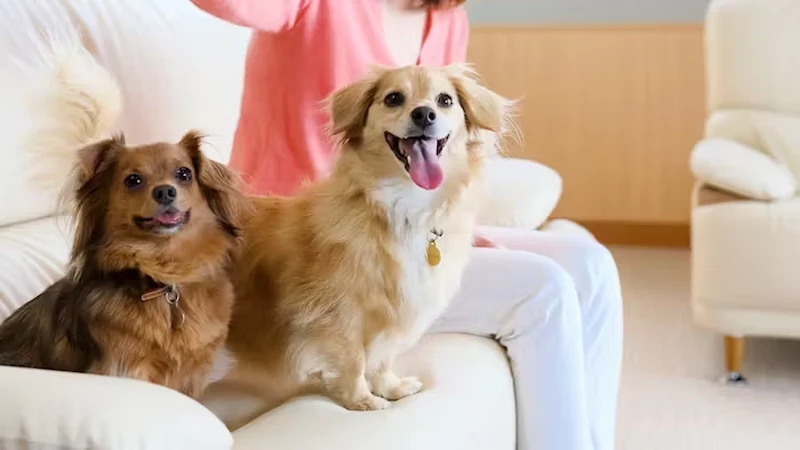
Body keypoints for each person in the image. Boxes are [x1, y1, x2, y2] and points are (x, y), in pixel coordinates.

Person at [189, 1, 624, 449]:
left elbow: (446, 141)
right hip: (305, 230)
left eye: (439, 103)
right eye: (397, 100)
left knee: (588, 263)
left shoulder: (445, 15)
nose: (423, 111)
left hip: (422, 224)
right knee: (544, 288)